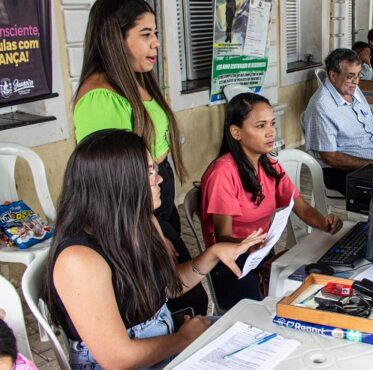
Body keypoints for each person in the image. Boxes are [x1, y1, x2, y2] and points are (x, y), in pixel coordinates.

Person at [45, 130, 266, 369]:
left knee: (257, 337)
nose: (159, 179)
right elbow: (118, 358)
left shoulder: (140, 223)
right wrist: (184, 338)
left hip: (163, 346)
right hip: (133, 361)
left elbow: (170, 286)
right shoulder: (79, 260)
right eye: (149, 172)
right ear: (120, 183)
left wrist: (213, 255)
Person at [71, 0, 208, 316]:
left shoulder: (134, 77)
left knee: (189, 297)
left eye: (156, 33)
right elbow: (113, 180)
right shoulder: (100, 98)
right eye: (145, 34)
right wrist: (154, 233)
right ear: (114, 39)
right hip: (134, 215)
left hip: (155, 200)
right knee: (180, 301)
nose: (156, 43)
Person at [201, 93, 343, 309]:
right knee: (272, 310)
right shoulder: (222, 173)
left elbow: (302, 208)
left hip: (261, 256)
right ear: (236, 132)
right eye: (260, 126)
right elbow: (223, 238)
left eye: (272, 124)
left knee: (310, 290)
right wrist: (247, 245)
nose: (270, 132)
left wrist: (325, 223)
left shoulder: (268, 165)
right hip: (233, 265)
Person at [303, 49, 373, 195]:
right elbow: (330, 157)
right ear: (333, 75)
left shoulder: (352, 89)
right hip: (340, 171)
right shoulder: (322, 106)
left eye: (358, 75)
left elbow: (369, 129)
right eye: (350, 76)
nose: (356, 82)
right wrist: (371, 165)